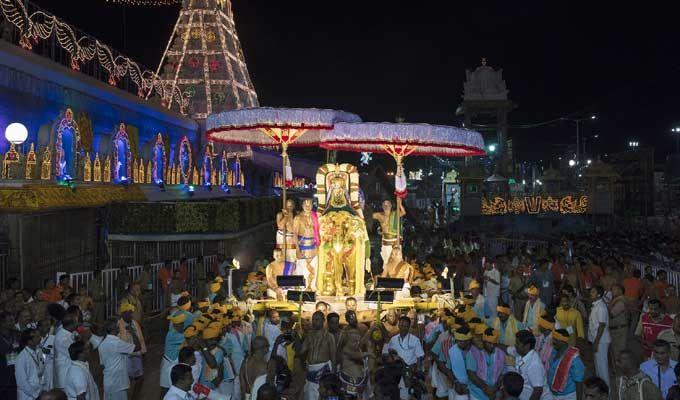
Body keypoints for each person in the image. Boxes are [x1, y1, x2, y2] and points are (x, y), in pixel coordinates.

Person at [99, 318, 137, 400]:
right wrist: (133, 332)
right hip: (118, 383)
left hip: (108, 380)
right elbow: (137, 347)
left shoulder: (102, 343)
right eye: (118, 325)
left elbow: (102, 365)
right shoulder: (117, 343)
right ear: (114, 330)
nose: (120, 327)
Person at [301, 311, 336, 400]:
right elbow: (302, 352)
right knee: (310, 395)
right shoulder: (309, 335)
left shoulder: (329, 336)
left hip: (324, 370)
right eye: (313, 319)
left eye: (317, 319)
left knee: (323, 395)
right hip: (310, 370)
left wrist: (333, 373)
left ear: (323, 321)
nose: (314, 321)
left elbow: (333, 356)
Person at [117, 303, 146, 399]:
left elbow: (140, 338)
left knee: (140, 377)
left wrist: (143, 353)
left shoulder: (134, 323)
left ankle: (134, 397)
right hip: (125, 356)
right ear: (123, 314)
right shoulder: (118, 325)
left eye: (131, 313)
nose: (130, 315)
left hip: (136, 354)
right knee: (127, 379)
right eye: (128, 313)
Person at [466, 328, 506, 400]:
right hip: (477, 392)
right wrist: (486, 389)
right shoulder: (473, 352)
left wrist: (494, 389)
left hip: (494, 393)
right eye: (489, 343)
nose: (492, 346)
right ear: (483, 341)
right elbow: (471, 374)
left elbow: (502, 374)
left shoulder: (501, 354)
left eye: (494, 343)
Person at [337, 310, 369, 398]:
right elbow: (342, 350)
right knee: (348, 396)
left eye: (354, 316)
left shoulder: (363, 328)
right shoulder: (344, 333)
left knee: (360, 396)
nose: (353, 318)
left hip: (361, 371)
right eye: (350, 317)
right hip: (348, 371)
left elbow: (362, 344)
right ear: (346, 320)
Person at [512, 329, 551, 400]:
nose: (515, 345)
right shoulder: (521, 354)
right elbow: (507, 349)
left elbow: (538, 391)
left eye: (517, 343)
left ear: (526, 346)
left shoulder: (534, 364)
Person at [547, 329, 584, 400]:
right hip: (552, 394)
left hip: (568, 396)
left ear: (562, 341)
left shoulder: (573, 357)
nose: (553, 341)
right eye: (553, 339)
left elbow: (579, 381)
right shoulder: (554, 352)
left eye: (556, 340)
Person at [588, 285, 611, 387]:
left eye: (593, 292)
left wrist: (596, 342)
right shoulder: (596, 305)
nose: (590, 293)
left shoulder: (601, 307)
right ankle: (601, 389)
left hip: (601, 341)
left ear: (598, 294)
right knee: (598, 366)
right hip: (597, 340)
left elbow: (602, 326)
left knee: (602, 368)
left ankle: (606, 391)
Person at [372, 199, 406, 267]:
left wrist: (399, 204)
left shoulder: (395, 214)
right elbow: (369, 215)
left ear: (391, 206)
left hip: (395, 242)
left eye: (388, 205)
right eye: (384, 205)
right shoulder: (379, 215)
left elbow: (403, 212)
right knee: (386, 263)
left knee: (397, 262)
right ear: (382, 206)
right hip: (386, 243)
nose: (386, 206)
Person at [160, 313, 187, 394]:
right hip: (168, 364)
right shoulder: (173, 334)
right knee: (166, 389)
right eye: (180, 324)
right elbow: (187, 337)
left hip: (172, 362)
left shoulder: (178, 332)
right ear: (175, 325)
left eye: (182, 323)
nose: (182, 325)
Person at [15, 328, 44, 400]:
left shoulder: (39, 351)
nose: (40, 338)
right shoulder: (21, 358)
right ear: (29, 341)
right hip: (27, 396)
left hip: (40, 391)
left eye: (39, 336)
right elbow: (22, 383)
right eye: (37, 337)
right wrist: (36, 395)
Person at [240, 336, 269, 400]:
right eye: (268, 345)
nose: (269, 348)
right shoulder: (265, 365)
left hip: (247, 396)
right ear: (264, 348)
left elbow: (242, 385)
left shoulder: (245, 361)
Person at [54, 314, 78, 389]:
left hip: (70, 369)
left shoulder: (68, 332)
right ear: (71, 324)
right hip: (65, 371)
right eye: (76, 322)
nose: (77, 324)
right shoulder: (62, 338)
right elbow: (74, 354)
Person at [609, 283, 629, 356]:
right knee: (615, 353)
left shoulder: (621, 301)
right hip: (616, 330)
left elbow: (611, 314)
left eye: (614, 289)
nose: (612, 291)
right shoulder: (616, 300)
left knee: (619, 353)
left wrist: (611, 303)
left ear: (620, 291)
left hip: (619, 331)